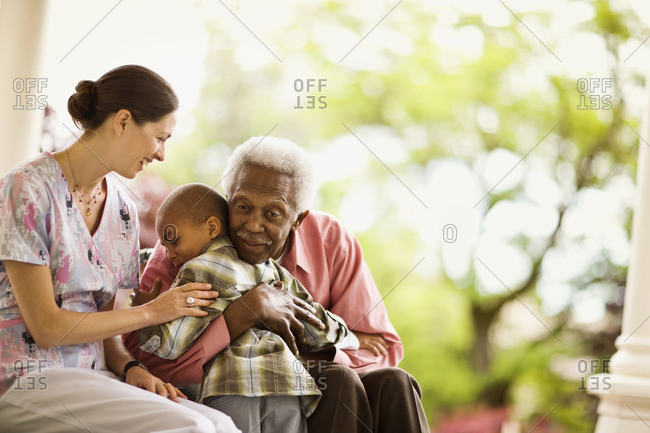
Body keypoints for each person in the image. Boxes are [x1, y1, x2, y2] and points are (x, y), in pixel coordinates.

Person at [125, 136, 430, 433]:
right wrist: (241, 314)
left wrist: (305, 355)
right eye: (242, 206)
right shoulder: (185, 245)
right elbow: (146, 360)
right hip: (228, 388)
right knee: (339, 381)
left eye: (272, 214)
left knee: (395, 383)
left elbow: (381, 348)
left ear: (297, 219)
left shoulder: (331, 240)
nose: (252, 225)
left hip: (310, 375)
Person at [0, 65, 240, 433]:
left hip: (92, 376)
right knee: (195, 429)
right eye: (160, 137)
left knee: (220, 423)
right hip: (27, 377)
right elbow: (46, 328)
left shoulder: (124, 212)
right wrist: (153, 312)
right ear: (123, 121)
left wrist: (131, 368)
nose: (162, 155)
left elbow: (107, 328)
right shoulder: (27, 189)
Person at [139, 183, 353, 433]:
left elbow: (169, 345)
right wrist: (345, 335)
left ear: (211, 227)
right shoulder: (273, 270)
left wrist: (147, 313)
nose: (168, 253)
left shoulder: (197, 270)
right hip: (286, 384)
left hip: (231, 385)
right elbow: (314, 323)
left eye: (172, 240)